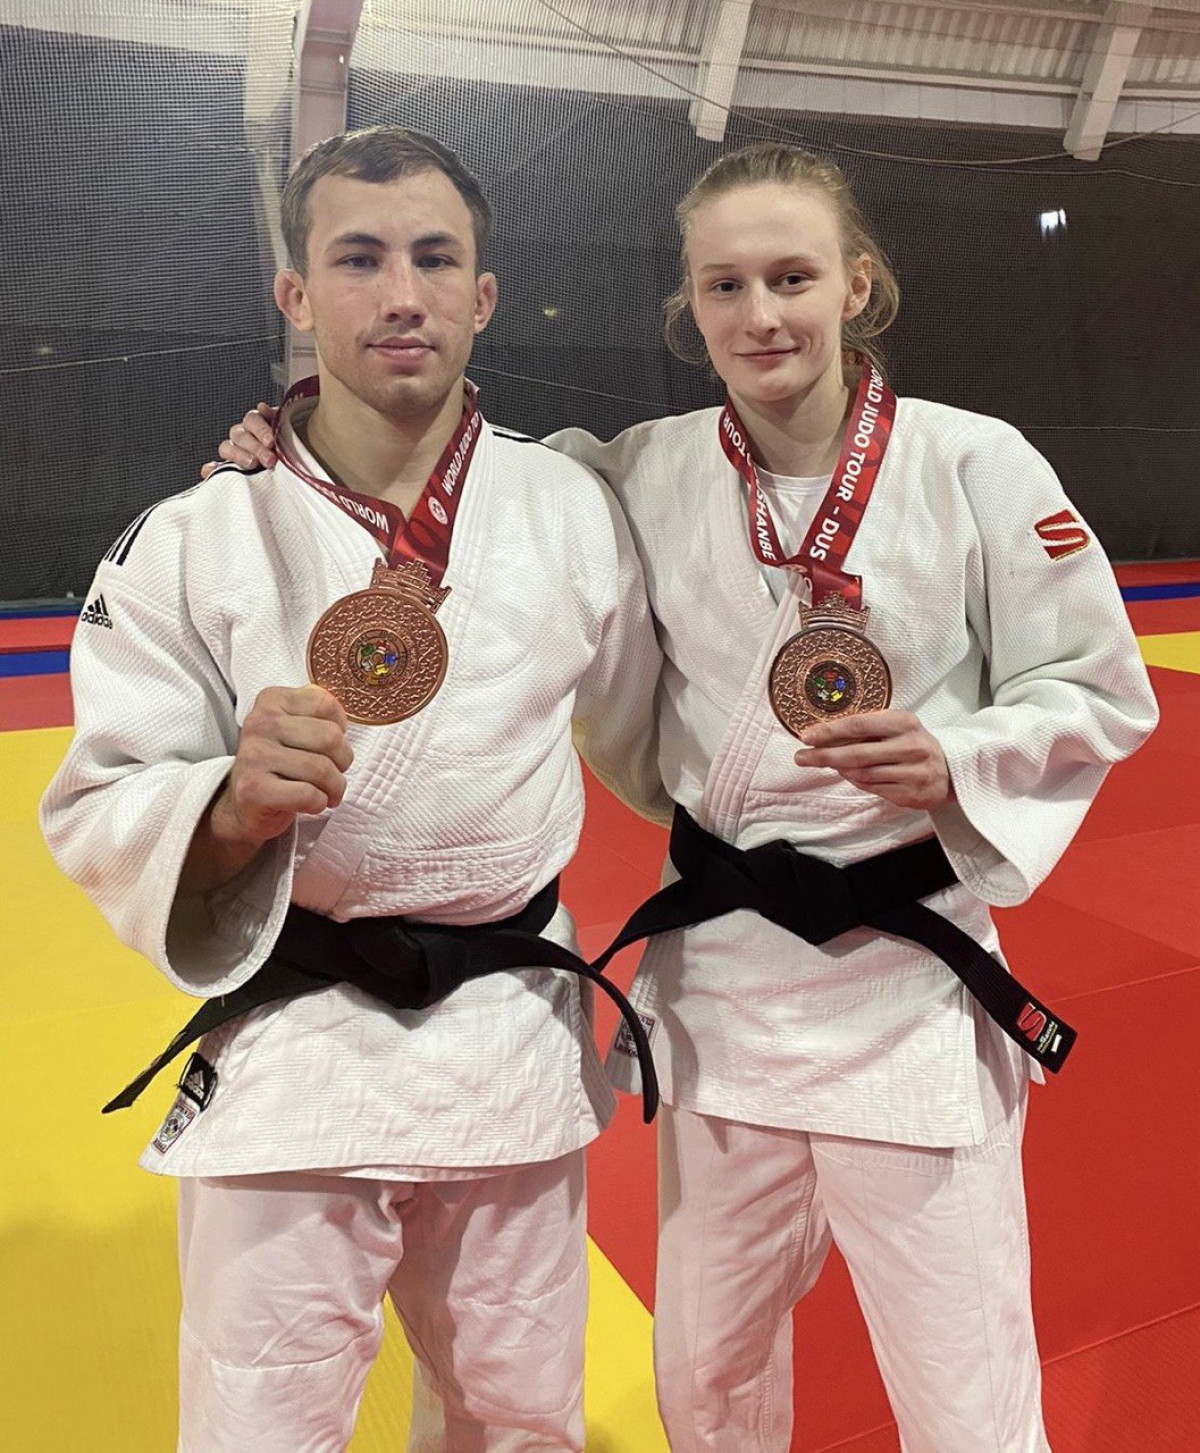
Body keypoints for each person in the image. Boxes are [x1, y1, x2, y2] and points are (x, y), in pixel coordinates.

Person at [212, 142, 1159, 1451]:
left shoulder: (974, 463)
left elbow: (1098, 683)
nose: (760, 314)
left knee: (966, 1393)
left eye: (791, 278)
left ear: (855, 285)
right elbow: (470, 484)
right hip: (725, 994)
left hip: (909, 990)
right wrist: (295, 448)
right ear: (692, 307)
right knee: (705, 1377)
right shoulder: (638, 469)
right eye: (725, 286)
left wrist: (966, 756)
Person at [41, 126, 667, 1453]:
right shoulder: (192, 537)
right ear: (297, 293)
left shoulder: (572, 507)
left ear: (483, 296)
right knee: (258, 1424)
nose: (402, 294)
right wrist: (228, 806)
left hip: (510, 1037)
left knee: (521, 1418)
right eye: (359, 258)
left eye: (436, 259)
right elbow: (99, 799)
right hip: (296, 1048)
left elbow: (657, 731)